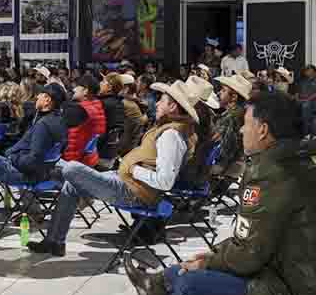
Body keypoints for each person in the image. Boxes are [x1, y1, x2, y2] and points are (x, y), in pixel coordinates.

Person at [127, 92, 316, 295]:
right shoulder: (307, 157)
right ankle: (158, 283)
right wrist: (213, 255)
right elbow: (255, 236)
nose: (243, 130)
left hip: (306, 290)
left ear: (263, 130)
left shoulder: (270, 173)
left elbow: (248, 256)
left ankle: (161, 285)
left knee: (190, 286)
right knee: (196, 267)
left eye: (246, 123)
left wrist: (209, 262)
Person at [28, 80, 199, 257]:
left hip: (133, 193)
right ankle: (54, 242)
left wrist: (133, 170)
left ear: (172, 107)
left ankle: (42, 169)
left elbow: (165, 181)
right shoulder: (169, 129)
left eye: (161, 101)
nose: (156, 104)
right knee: (71, 181)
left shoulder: (171, 135)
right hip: (127, 183)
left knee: (71, 169)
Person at [0, 84, 67, 216]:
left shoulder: (43, 125)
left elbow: (32, 161)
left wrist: (12, 157)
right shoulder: (59, 121)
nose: (37, 96)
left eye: (40, 95)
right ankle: (32, 210)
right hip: (43, 173)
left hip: (25, 174)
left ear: (47, 100)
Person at [62, 75, 106, 167]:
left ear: (85, 90)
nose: (74, 89)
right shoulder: (97, 104)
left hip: (74, 162)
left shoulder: (80, 109)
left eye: (77, 86)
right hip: (90, 158)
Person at [212, 74, 251, 176]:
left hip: (226, 168)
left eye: (224, 90)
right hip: (237, 166)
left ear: (234, 97)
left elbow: (224, 150)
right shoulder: (242, 112)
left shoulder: (230, 117)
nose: (219, 93)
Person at [97, 73, 126, 169]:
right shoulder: (118, 103)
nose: (100, 83)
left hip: (100, 153)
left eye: (103, 81)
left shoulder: (103, 104)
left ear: (109, 87)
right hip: (111, 152)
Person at [294, 64, 316, 136]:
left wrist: (307, 99)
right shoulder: (302, 81)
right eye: (306, 70)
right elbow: (297, 93)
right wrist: (297, 99)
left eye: (308, 70)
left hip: (312, 102)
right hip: (301, 101)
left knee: (306, 106)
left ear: (313, 71)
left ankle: (306, 133)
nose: (306, 72)